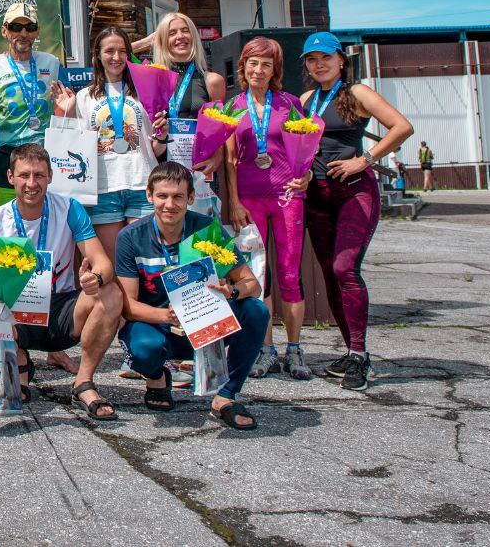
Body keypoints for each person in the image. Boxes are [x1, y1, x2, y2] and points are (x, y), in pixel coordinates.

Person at [0, 144, 122, 418]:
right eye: (24, 175)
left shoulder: (69, 209)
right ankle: (18, 363)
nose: (31, 183)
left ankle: (83, 383)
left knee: (110, 294)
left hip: (58, 312)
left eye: (39, 175)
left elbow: (104, 265)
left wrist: (94, 279)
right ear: (10, 177)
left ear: (50, 176)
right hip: (15, 315)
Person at [117, 162, 271, 430]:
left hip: (207, 325)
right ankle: (157, 377)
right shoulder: (131, 237)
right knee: (143, 348)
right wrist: (167, 315)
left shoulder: (207, 228)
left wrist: (232, 291)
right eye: (162, 196)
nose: (170, 204)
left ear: (190, 198)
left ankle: (225, 396)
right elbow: (128, 306)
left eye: (178, 197)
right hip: (160, 327)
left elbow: (252, 284)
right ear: (149, 195)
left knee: (257, 311)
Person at [300, 32, 413, 390]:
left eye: (326, 58)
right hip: (317, 195)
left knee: (344, 268)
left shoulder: (357, 93)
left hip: (354, 193)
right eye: (312, 59)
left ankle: (361, 356)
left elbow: (402, 127)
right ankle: (351, 352)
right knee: (331, 274)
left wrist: (363, 161)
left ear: (341, 60)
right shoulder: (306, 100)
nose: (319, 64)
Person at [222, 37, 311, 380]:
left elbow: (306, 146)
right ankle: (265, 349)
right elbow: (230, 160)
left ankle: (295, 348)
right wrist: (234, 202)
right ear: (242, 66)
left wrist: (304, 178)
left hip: (287, 196)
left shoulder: (289, 104)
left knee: (289, 272)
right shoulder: (233, 106)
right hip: (248, 199)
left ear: (276, 70)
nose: (259, 70)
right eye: (253, 63)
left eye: (267, 65)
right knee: (257, 274)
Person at [54, 27, 166, 256]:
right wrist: (69, 113)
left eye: (122, 51)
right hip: (103, 189)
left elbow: (155, 149)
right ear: (97, 55)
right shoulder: (84, 97)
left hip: (142, 184)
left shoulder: (145, 91)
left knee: (146, 261)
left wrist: (162, 137)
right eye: (109, 51)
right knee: (114, 264)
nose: (116, 57)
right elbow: (76, 147)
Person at [0, 2, 60, 208]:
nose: (23, 33)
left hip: (43, 156)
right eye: (16, 27)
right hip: (5, 157)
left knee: (44, 221)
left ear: (37, 32)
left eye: (29, 28)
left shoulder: (52, 63)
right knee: (5, 226)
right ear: (4, 30)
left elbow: (65, 109)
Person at [147, 12, 227, 206]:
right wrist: (149, 40)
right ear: (163, 40)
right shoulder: (151, 78)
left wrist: (217, 157)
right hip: (162, 173)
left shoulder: (212, 81)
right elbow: (109, 57)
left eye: (185, 31)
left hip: (199, 172)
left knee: (203, 235)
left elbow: (222, 132)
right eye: (172, 33)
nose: (180, 37)